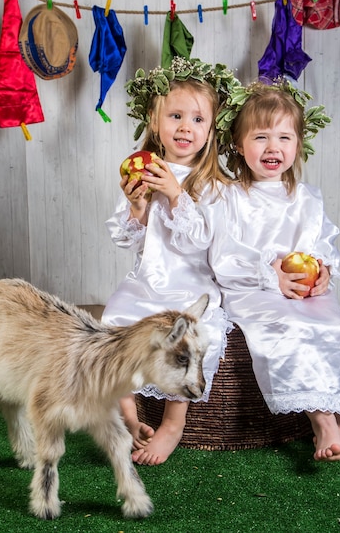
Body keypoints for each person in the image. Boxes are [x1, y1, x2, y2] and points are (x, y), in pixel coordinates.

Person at [209, 79, 340, 462]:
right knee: (285, 325)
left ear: (298, 145)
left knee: (329, 325)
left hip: (303, 287)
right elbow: (224, 253)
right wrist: (269, 275)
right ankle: (322, 419)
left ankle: (337, 409)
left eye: (284, 137)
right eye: (260, 137)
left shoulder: (306, 198)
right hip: (254, 289)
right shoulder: (230, 197)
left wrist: (324, 268)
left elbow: (321, 241)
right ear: (238, 144)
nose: (273, 147)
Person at [102, 57, 240, 465]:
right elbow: (128, 238)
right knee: (114, 323)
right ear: (155, 122)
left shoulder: (215, 185)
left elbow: (201, 241)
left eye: (198, 119)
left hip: (192, 286)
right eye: (176, 116)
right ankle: (128, 416)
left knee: (191, 340)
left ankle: (171, 424)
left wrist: (177, 195)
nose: (185, 127)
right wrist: (137, 205)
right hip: (147, 282)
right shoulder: (143, 173)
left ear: (211, 131)